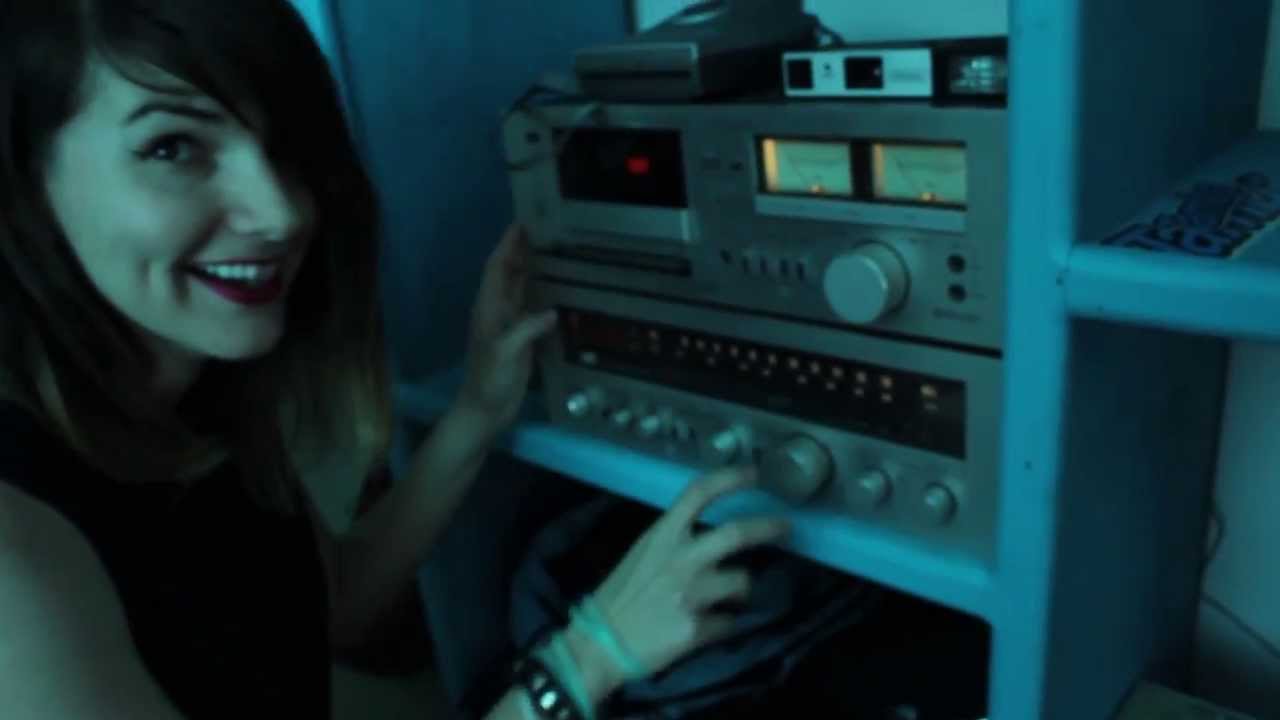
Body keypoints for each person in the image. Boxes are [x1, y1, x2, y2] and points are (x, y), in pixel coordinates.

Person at [0, 1, 790, 719]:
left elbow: (330, 607)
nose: (281, 212)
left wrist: (477, 408)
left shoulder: (202, 396)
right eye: (174, 147)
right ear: (24, 184)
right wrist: (588, 659)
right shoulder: (13, 549)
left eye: (285, 147)